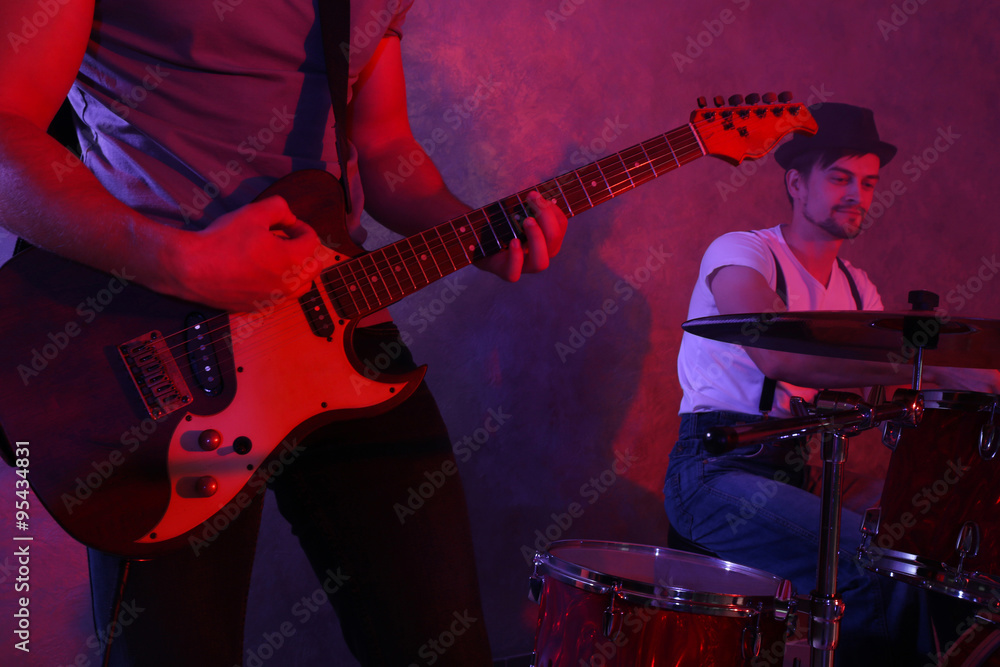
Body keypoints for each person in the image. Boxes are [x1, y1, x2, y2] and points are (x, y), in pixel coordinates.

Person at [0, 1, 567, 665]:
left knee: (446, 649)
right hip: (160, 355)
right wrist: (182, 261)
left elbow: (385, 150)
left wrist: (474, 229)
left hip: (341, 340)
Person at [662, 102, 1000, 665]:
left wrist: (970, 374)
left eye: (868, 183)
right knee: (872, 569)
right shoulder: (742, 252)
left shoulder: (858, 287)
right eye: (840, 178)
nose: (857, 195)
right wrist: (933, 367)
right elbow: (778, 358)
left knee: (922, 552)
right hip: (714, 469)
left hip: (809, 472)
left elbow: (884, 384)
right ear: (795, 182)